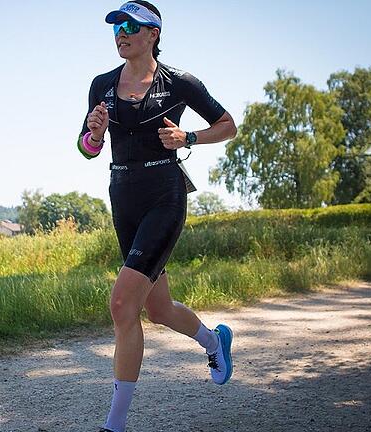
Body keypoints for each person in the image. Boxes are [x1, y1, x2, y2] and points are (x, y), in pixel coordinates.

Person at [77, 2, 239, 431]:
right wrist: (93, 134)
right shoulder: (102, 85)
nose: (120, 33)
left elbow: (228, 125)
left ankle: (114, 424)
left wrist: (188, 136)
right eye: (116, 27)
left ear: (153, 34)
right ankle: (214, 341)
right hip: (122, 195)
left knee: (121, 304)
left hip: (164, 194)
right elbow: (86, 148)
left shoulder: (179, 82)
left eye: (130, 26)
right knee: (158, 308)